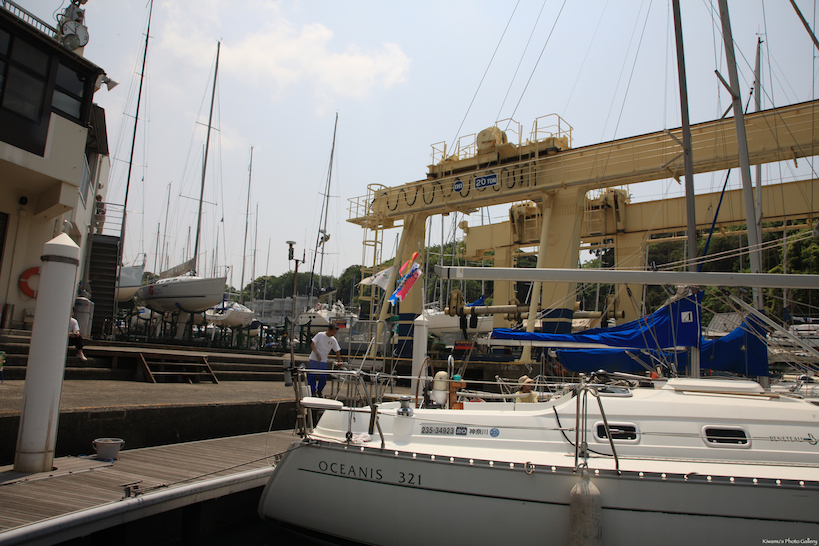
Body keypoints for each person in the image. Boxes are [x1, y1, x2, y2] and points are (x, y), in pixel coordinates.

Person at [308, 324, 342, 397]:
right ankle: (312, 391)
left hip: (323, 360)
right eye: (333, 331)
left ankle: (319, 390)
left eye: (335, 332)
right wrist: (317, 354)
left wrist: (339, 361)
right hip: (314, 358)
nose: (333, 333)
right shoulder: (320, 335)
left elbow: (337, 350)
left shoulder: (333, 340)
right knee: (312, 376)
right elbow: (312, 344)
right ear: (329, 329)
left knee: (323, 377)